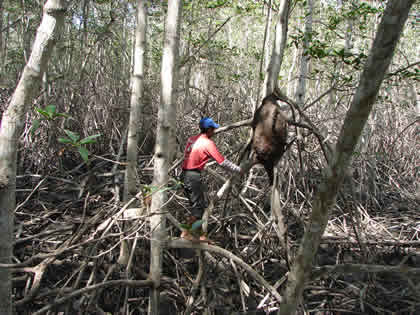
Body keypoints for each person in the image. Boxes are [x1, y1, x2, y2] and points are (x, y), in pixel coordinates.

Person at [181, 117, 242, 241]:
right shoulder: (208, 143)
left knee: (197, 207)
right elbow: (222, 162)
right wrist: (239, 170)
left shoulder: (192, 139)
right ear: (208, 129)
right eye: (213, 129)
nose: (214, 131)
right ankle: (186, 233)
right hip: (192, 176)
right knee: (198, 208)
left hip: (184, 175)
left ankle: (200, 236)